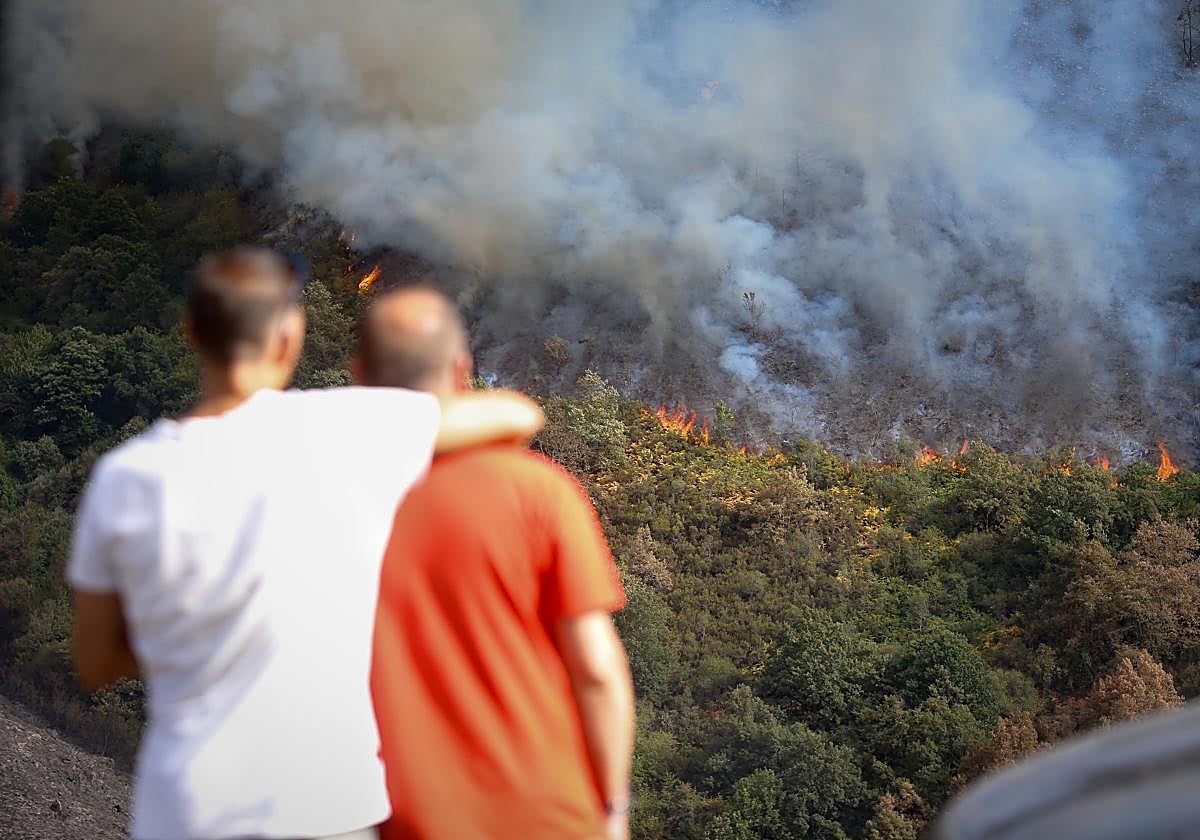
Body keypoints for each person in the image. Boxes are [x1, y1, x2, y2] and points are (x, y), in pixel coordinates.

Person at [68, 248, 544, 840]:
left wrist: (197, 629)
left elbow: (96, 661)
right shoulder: (348, 431)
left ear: (192, 332)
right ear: (290, 337)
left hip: (188, 811)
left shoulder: (125, 477)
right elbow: (516, 414)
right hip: (329, 807)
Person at [358, 286, 636, 840]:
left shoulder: (332, 497)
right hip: (549, 817)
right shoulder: (540, 491)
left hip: (406, 819)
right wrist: (613, 810)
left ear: (359, 374)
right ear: (462, 370)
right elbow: (598, 672)